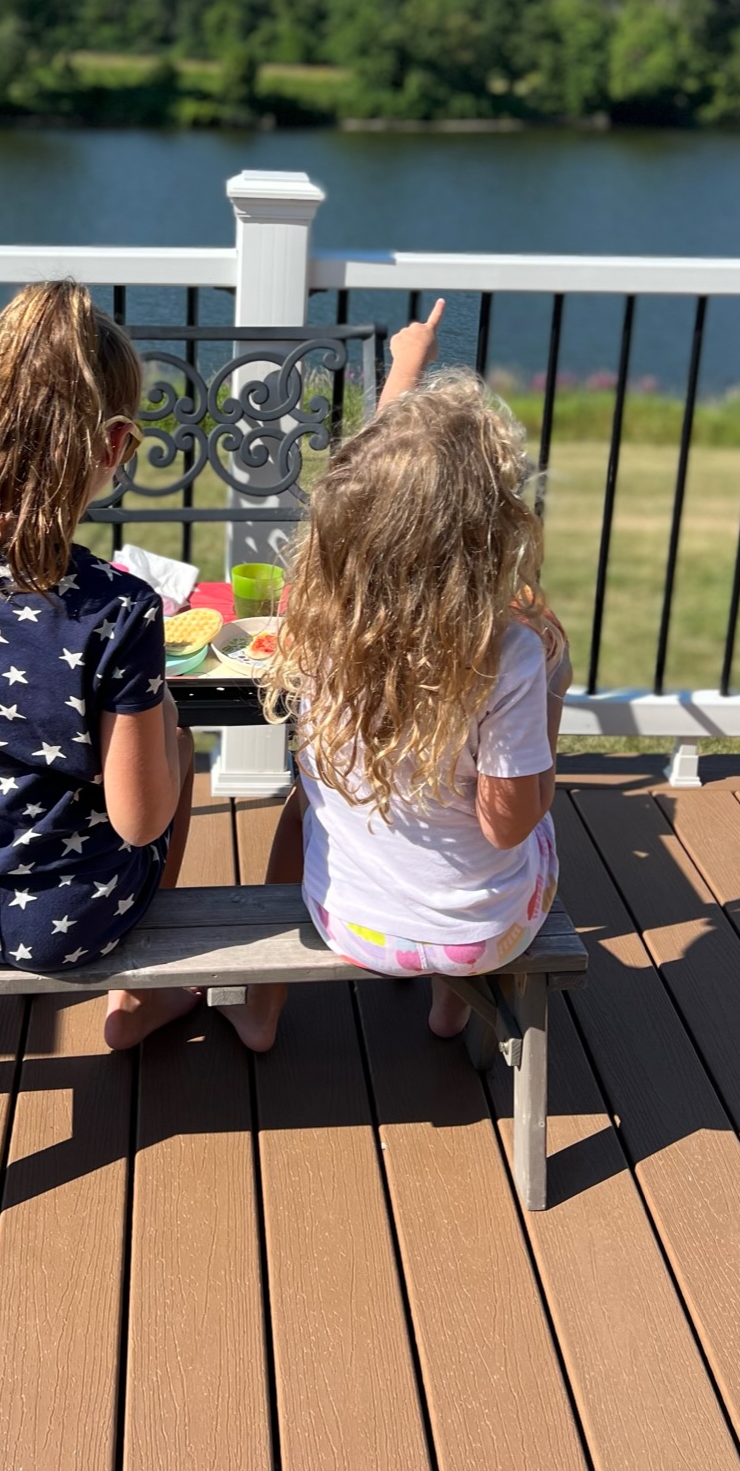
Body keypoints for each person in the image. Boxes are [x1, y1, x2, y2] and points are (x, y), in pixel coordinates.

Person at [224, 299, 569, 1052]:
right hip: (480, 939)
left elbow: (379, 489)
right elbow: (510, 825)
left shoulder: (317, 621)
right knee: (537, 829)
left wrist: (405, 367)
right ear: (490, 530)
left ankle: (260, 1010)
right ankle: (452, 1007)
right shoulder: (508, 654)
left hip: (348, 922)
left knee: (303, 805)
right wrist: (554, 689)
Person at [0, 280, 197, 1051]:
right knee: (174, 747)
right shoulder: (120, 607)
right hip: (73, 917)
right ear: (115, 447)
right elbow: (141, 820)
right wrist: (162, 713)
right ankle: (138, 995)